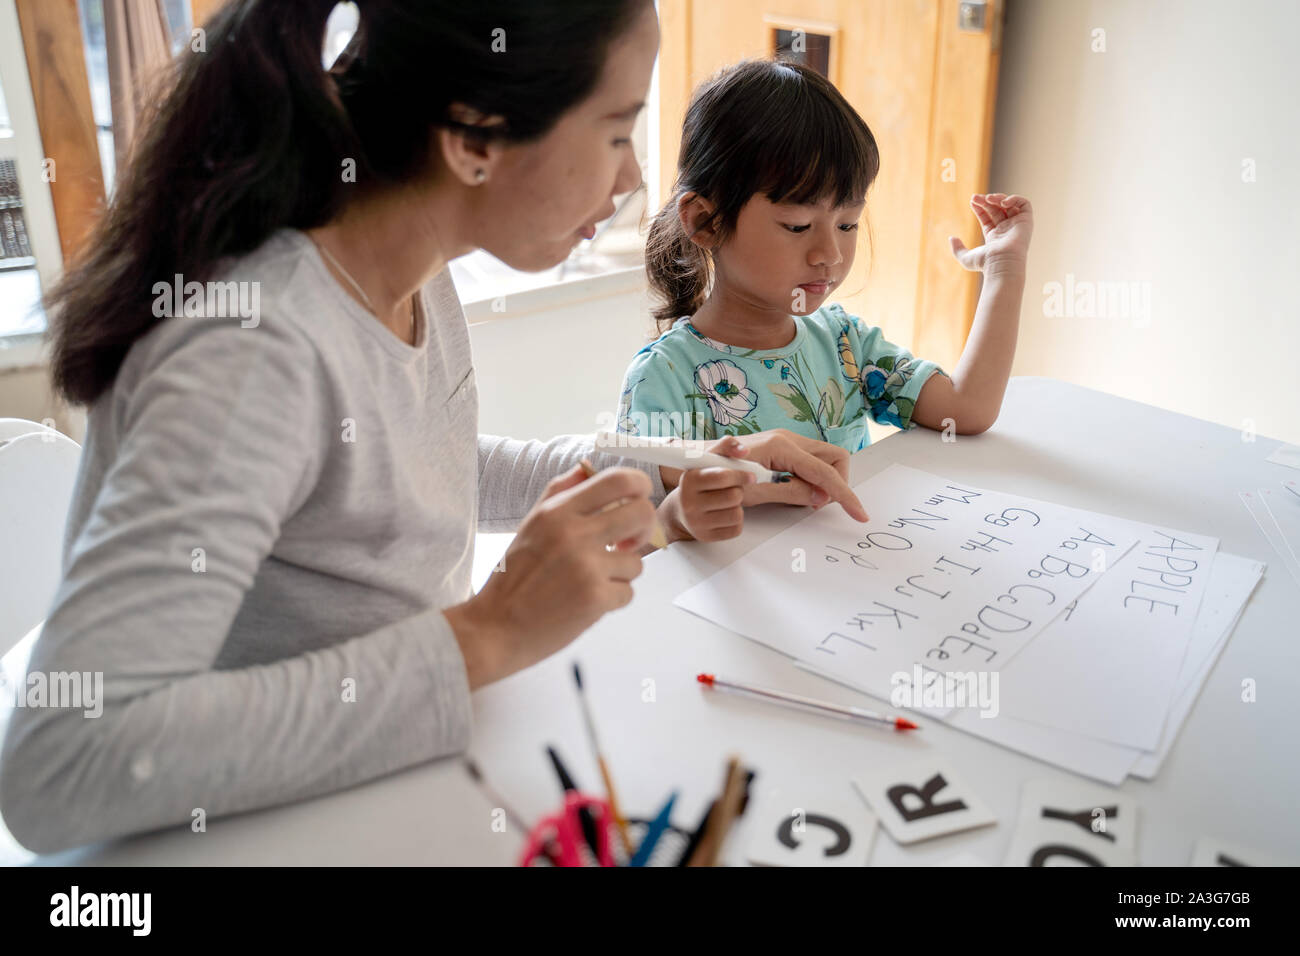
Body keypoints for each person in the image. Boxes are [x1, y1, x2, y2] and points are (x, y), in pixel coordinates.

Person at [0, 1, 872, 854]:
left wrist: (681, 464)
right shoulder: (249, 348)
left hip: (373, 776)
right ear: (473, 137)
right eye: (616, 131)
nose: (632, 180)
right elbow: (58, 763)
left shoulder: (408, 266)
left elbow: (416, 469)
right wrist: (489, 630)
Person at [619, 59, 1034, 453]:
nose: (830, 254)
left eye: (847, 224)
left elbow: (966, 410)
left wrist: (1004, 270)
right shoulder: (664, 378)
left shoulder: (843, 343)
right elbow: (647, 516)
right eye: (798, 226)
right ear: (706, 222)